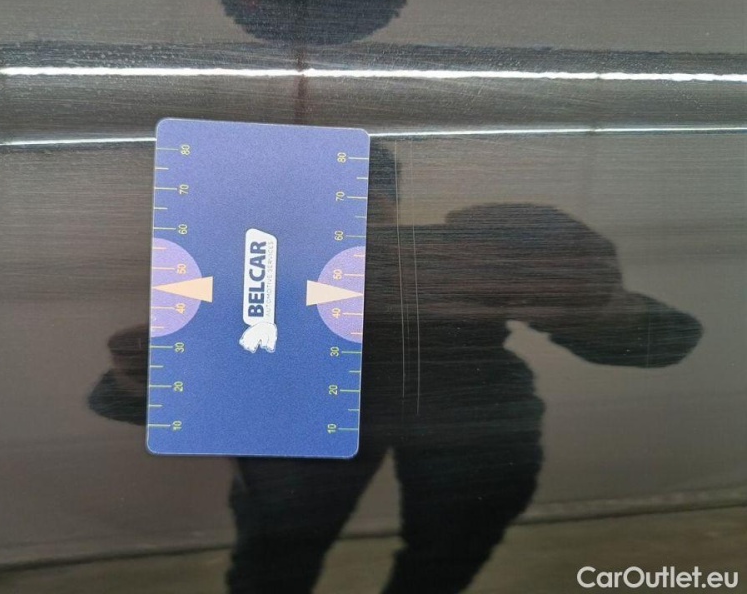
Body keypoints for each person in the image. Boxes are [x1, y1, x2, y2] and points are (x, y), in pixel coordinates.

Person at [89, 144, 702, 593]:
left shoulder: (461, 258)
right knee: (280, 559)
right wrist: (143, 372)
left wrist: (597, 307)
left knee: (431, 557)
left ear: (388, 204)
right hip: (349, 420)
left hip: (456, 424)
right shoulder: (260, 274)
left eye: (363, 201)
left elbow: (668, 341)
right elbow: (125, 399)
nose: (350, 224)